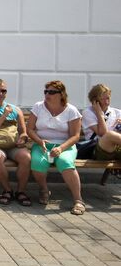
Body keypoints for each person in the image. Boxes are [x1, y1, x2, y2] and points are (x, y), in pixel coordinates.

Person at [27, 80, 85, 215]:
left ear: (61, 94)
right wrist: (39, 141)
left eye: (52, 92)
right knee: (37, 162)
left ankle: (78, 200)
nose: (47, 94)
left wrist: (61, 148)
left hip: (65, 145)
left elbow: (75, 136)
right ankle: (44, 189)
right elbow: (30, 129)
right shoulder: (38, 107)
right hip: (42, 144)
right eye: (46, 91)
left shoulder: (71, 110)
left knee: (65, 162)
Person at [0, 79, 32, 206]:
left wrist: (23, 138)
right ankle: (7, 190)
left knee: (26, 157)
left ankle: (21, 192)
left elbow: (23, 131)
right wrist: (4, 115)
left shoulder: (15, 110)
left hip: (13, 145)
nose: (0, 94)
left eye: (3, 91)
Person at [82, 84, 121, 164]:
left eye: (108, 98)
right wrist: (99, 114)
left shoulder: (117, 112)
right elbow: (103, 133)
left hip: (116, 148)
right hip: (97, 150)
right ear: (94, 101)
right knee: (110, 135)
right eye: (102, 99)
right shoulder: (88, 113)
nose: (106, 102)